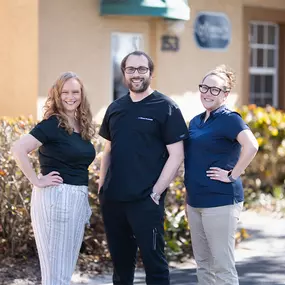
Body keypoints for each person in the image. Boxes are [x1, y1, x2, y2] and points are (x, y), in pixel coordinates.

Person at [98, 50, 189, 285]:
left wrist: (156, 192)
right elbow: (108, 150)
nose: (136, 74)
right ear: (124, 74)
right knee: (121, 267)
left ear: (151, 73)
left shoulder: (166, 107)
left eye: (142, 69)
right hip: (114, 200)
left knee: (155, 265)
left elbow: (176, 155)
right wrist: (102, 187)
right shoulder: (115, 108)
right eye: (131, 69)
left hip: (146, 201)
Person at [11, 72, 96, 285]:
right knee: (54, 274)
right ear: (57, 95)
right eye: (65, 92)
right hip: (56, 198)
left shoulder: (80, 124)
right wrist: (37, 181)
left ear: (81, 95)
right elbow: (18, 149)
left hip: (76, 199)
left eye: (75, 92)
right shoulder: (52, 124)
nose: (70, 97)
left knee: (65, 272)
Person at [184, 65, 259, 285]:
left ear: (225, 95)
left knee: (222, 265)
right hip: (195, 200)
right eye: (204, 87)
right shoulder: (196, 121)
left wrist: (232, 174)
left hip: (221, 201)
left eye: (215, 90)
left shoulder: (229, 119)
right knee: (203, 264)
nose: (207, 93)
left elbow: (251, 146)